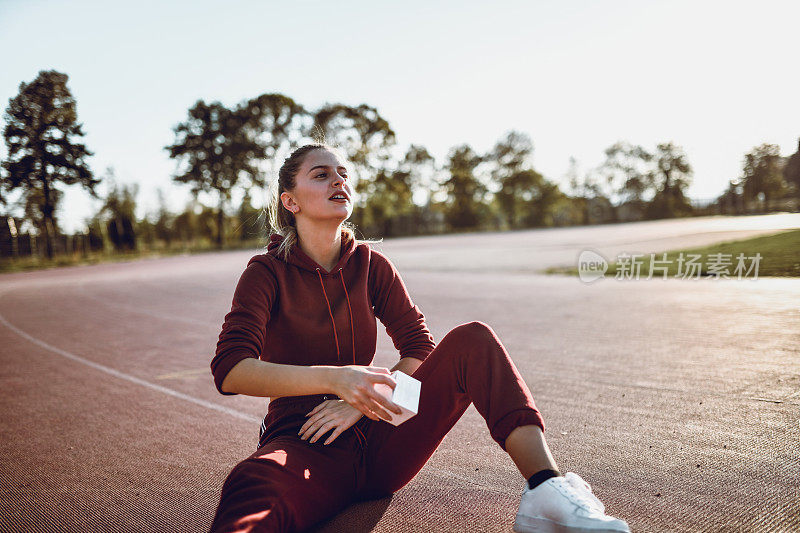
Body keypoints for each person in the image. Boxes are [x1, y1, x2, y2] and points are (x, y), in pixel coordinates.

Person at [208, 143, 631, 533]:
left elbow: (419, 347)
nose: (339, 181)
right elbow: (231, 370)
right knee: (251, 481)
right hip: (305, 442)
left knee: (474, 340)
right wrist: (338, 381)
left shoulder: (372, 265)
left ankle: (545, 490)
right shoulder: (265, 273)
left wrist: (365, 399)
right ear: (291, 201)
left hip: (382, 439)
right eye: (321, 175)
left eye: (343, 173)